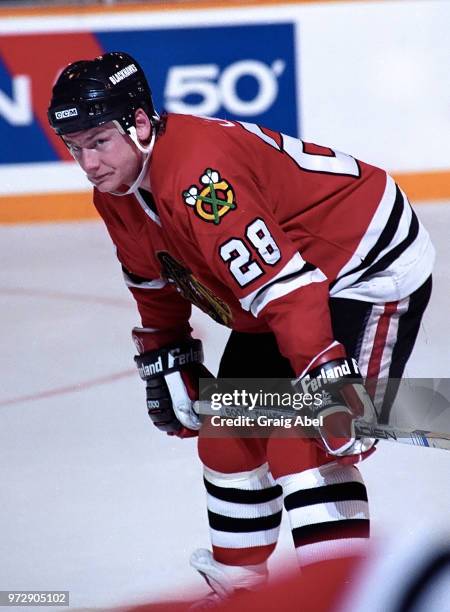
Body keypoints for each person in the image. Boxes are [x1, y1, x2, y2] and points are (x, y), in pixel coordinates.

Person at [47, 51, 434, 606]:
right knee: (226, 433)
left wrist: (325, 373)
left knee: (305, 441)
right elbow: (154, 281)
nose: (89, 163)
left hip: (360, 262)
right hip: (278, 286)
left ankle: (344, 598)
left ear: (138, 123)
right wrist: (167, 348)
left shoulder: (202, 177)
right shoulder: (117, 195)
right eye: (76, 147)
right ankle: (238, 595)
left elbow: (286, 290)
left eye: (99, 141)